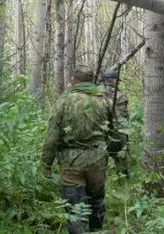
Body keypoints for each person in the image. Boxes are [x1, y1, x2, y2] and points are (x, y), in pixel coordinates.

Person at [41, 66, 122, 233]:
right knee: (96, 201)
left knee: (74, 207)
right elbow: (115, 133)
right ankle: (96, 230)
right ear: (91, 80)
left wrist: (46, 164)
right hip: (97, 160)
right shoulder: (104, 100)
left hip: (71, 162)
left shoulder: (63, 101)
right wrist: (115, 155)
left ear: (73, 80)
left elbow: (52, 136)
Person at [100, 69, 130, 177]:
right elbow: (121, 118)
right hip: (115, 131)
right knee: (121, 155)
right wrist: (122, 136)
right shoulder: (119, 95)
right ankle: (122, 178)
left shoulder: (94, 93)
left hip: (97, 131)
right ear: (112, 81)